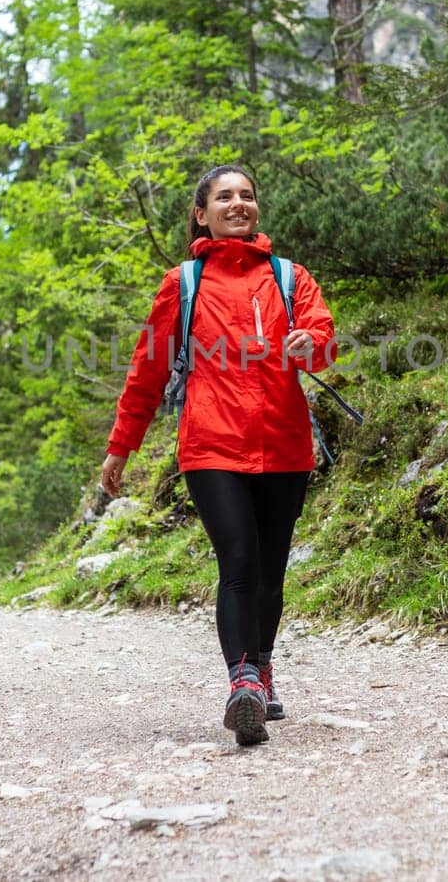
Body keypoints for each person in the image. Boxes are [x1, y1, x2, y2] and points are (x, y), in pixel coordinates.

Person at [100, 165, 335, 746]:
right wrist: (120, 448)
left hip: (284, 443)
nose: (239, 204)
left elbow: (321, 337)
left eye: (248, 196)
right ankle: (243, 683)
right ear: (201, 214)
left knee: (272, 567)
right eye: (225, 197)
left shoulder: (289, 277)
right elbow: (147, 372)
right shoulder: (182, 283)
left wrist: (313, 344)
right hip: (211, 443)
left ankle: (263, 665)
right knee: (239, 556)